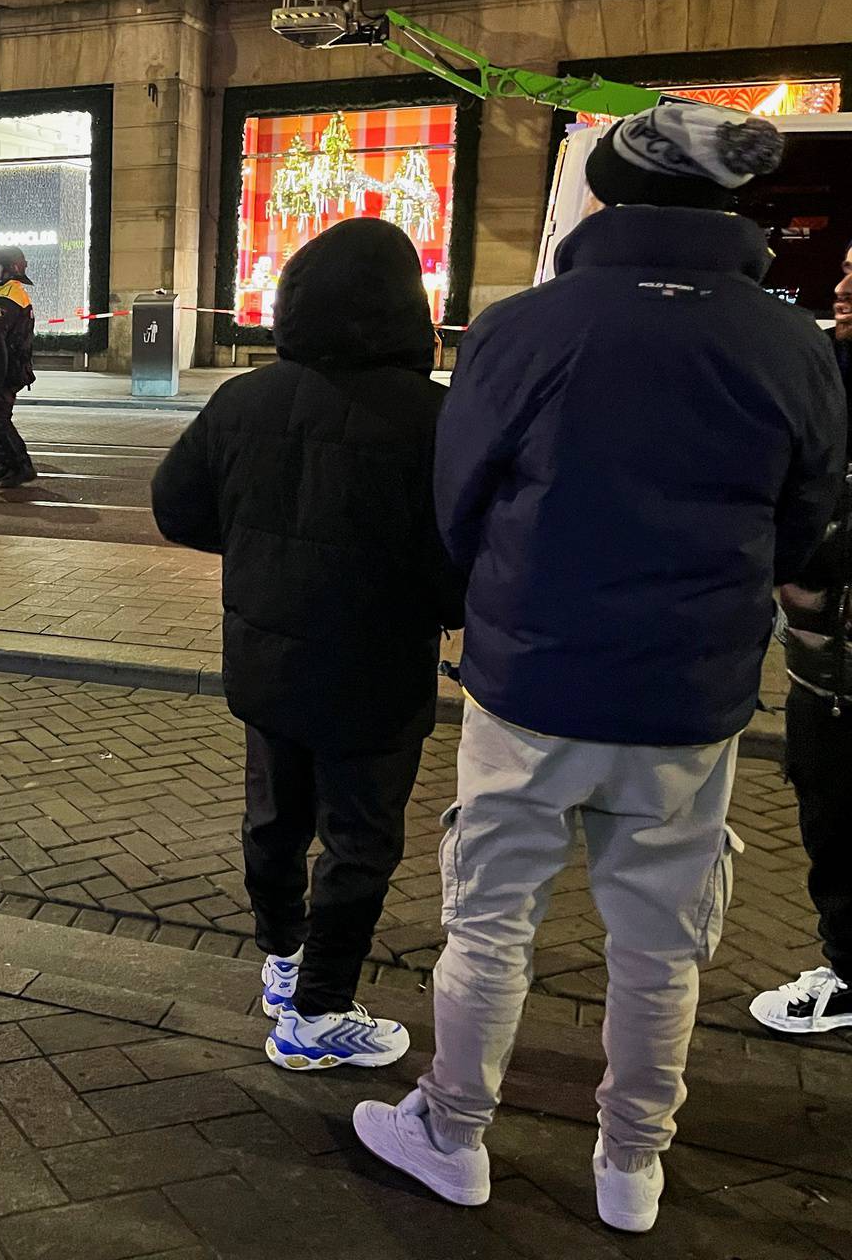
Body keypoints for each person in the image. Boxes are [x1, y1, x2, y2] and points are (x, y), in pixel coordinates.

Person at [354, 105, 846, 1233]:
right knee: (663, 940)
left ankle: (454, 1132)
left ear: (604, 199)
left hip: (531, 678)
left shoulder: (525, 328)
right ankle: (632, 1169)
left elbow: (458, 498)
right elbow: (810, 516)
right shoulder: (793, 342)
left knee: (491, 919)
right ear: (736, 210)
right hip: (691, 692)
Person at [152, 217, 463, 1071]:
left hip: (267, 661)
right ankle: (319, 1012)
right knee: (360, 839)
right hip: (375, 672)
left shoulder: (243, 399)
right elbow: (460, 559)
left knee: (274, 818)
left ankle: (282, 959)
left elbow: (178, 509)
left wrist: (259, 546)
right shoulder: (436, 418)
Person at [750, 249, 852, 1037]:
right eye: (843, 267)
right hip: (825, 665)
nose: (842, 285)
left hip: (837, 654)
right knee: (827, 813)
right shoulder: (823, 370)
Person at [0, 245, 39, 489]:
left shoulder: (10, 295)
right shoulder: (6, 291)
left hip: (8, 367)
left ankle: (22, 466)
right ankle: (2, 464)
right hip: (4, 365)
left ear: (9, 270)